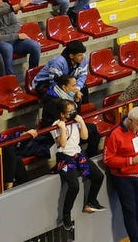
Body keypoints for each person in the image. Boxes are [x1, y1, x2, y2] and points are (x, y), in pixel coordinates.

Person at [52, 98, 105, 233]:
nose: (73, 113)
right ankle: (66, 215)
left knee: (98, 176)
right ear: (62, 114)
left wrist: (81, 121)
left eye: (74, 110)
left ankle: (91, 201)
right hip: (65, 158)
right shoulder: (56, 125)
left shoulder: (75, 121)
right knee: (74, 186)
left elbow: (85, 137)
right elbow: (62, 144)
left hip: (78, 154)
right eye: (70, 112)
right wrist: (63, 128)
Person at [104, 105, 138, 242]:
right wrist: (131, 160)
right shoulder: (115, 134)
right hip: (124, 179)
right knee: (130, 211)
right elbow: (108, 159)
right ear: (130, 120)